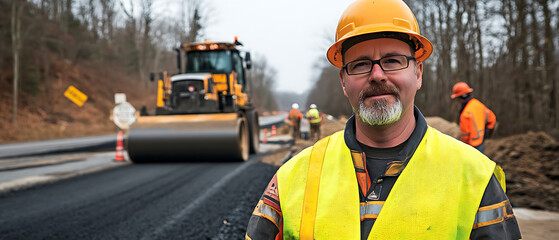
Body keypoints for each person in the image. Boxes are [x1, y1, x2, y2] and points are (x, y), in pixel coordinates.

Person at [246, 0, 521, 239]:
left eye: (392, 61)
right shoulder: (293, 179)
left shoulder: (474, 177)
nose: (377, 75)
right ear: (344, 81)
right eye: (361, 64)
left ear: (419, 73)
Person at [451, 82, 497, 153]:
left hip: (472, 145)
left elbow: (465, 135)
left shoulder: (465, 113)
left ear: (461, 97)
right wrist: (487, 131)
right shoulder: (478, 104)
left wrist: (464, 146)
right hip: (481, 139)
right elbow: (492, 118)